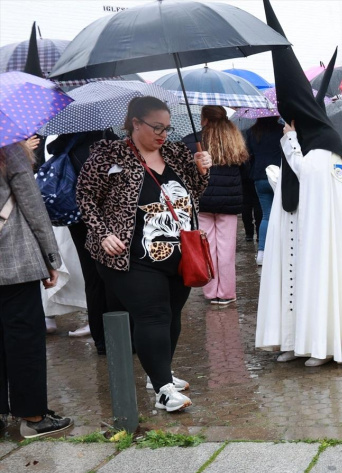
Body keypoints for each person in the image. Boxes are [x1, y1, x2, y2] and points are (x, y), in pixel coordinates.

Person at [76, 96, 211, 411]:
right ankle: (164, 391)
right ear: (135, 123)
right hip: (129, 256)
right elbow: (84, 197)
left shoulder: (176, 153)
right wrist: (103, 233)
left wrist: (203, 172)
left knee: (172, 315)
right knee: (153, 314)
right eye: (156, 127)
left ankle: (158, 372)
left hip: (180, 253)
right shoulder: (109, 155)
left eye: (167, 127)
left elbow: (193, 194)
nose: (163, 134)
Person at [254, 26, 342, 367]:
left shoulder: (324, 145)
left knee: (315, 280)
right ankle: (292, 340)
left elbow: (312, 177)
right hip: (294, 226)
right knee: (292, 281)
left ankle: (321, 345)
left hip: (317, 234)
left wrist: (291, 143)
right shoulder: (307, 142)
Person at [0, 141, 74, 438]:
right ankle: (33, 415)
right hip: (13, 259)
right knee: (24, 339)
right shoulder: (8, 148)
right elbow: (31, 203)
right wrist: (51, 257)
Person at [47, 130, 118, 352]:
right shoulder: (102, 145)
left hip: (75, 218)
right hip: (102, 219)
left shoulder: (65, 144)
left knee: (92, 276)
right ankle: (114, 338)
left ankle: (100, 338)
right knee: (111, 275)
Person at [183, 106, 248, 306]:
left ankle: (211, 292)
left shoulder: (192, 140)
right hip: (229, 200)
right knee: (227, 250)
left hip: (202, 200)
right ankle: (227, 293)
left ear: (204, 119)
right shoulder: (235, 138)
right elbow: (244, 168)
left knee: (207, 248)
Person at [245, 116, 284, 266]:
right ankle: (280, 250)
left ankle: (262, 252)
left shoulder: (251, 132)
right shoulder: (282, 131)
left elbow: (250, 155)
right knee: (283, 214)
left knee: (266, 215)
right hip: (279, 175)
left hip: (260, 176)